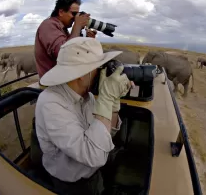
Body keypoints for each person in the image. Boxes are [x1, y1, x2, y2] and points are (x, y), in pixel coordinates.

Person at [34, 37, 133, 195]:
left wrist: (113, 102)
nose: (103, 73)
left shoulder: (88, 97)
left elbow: (107, 134)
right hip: (70, 184)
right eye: (99, 68)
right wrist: (106, 99)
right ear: (81, 74)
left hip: (93, 175)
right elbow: (95, 155)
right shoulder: (51, 103)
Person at [34, 0, 97, 79]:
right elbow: (64, 53)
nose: (75, 18)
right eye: (73, 14)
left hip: (63, 80)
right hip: (53, 84)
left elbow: (76, 52)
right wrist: (77, 26)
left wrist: (88, 39)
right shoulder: (48, 25)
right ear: (61, 12)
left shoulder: (63, 28)